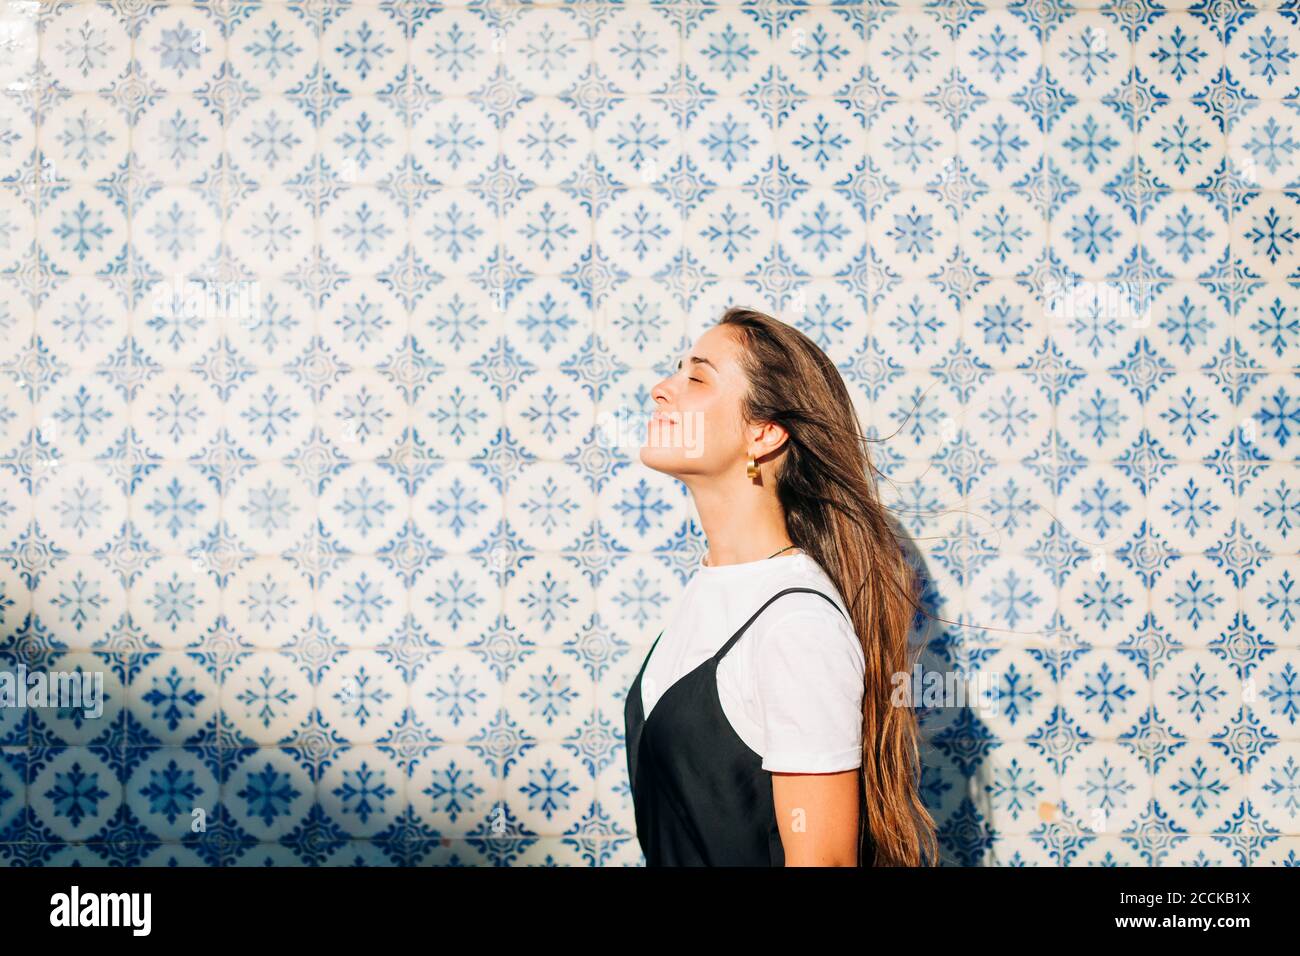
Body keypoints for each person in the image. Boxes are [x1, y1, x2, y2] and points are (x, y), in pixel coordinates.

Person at [624, 306, 938, 866]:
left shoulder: (795, 625)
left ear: (764, 433)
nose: (661, 390)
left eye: (696, 377)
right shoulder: (714, 590)